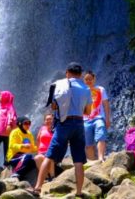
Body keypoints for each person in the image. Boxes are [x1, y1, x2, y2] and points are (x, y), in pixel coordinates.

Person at [31, 62, 92, 197]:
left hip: (64, 124)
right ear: (81, 74)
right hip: (79, 123)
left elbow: (53, 106)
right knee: (78, 160)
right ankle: (79, 191)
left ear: (67, 73)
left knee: (49, 155)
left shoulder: (60, 85)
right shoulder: (86, 89)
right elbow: (88, 111)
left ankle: (37, 188)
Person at [83, 70, 111, 161]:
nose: (88, 81)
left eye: (90, 79)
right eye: (86, 79)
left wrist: (107, 119)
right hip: (85, 119)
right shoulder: (81, 91)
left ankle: (100, 158)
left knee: (101, 136)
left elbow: (106, 105)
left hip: (98, 117)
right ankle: (92, 162)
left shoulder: (100, 89)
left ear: (94, 79)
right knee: (88, 144)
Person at [0, 90, 17, 167]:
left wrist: (9, 124)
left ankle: (6, 165)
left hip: (7, 132)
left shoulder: (9, 106)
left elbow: (11, 115)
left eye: (0, 96)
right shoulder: (0, 106)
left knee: (7, 148)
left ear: (5, 97)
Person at [36, 113, 55, 178]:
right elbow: (38, 140)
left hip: (51, 151)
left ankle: (52, 176)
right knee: (37, 158)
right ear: (44, 121)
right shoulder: (42, 128)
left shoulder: (55, 129)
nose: (48, 121)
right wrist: (38, 151)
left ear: (53, 120)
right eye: (47, 119)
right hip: (41, 152)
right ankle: (46, 177)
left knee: (49, 158)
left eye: (50, 119)